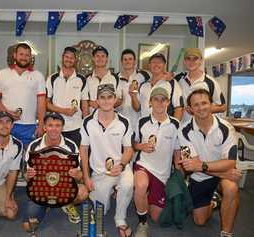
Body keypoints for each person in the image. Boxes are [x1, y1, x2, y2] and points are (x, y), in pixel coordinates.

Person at [178, 89, 241, 237]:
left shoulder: (226, 128)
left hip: (220, 174)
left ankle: (226, 233)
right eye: (196, 105)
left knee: (231, 188)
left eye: (204, 103)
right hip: (200, 176)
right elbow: (191, 166)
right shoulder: (183, 131)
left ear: (211, 104)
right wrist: (219, 171)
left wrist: (203, 166)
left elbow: (230, 162)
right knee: (199, 221)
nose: (201, 108)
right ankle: (215, 202)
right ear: (190, 109)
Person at [80, 83, 134, 237]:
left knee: (128, 183)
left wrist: (122, 164)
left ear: (115, 99)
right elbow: (83, 149)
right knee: (101, 211)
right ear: (96, 100)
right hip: (99, 172)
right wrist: (86, 177)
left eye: (109, 97)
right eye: (102, 97)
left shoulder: (124, 122)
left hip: (120, 167)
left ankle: (120, 219)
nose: (106, 101)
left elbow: (129, 149)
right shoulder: (87, 122)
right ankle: (109, 194)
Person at [22, 112, 88, 231]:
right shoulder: (34, 146)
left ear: (62, 128)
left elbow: (80, 176)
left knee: (82, 192)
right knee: (28, 228)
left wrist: (78, 174)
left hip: (63, 187)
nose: (54, 129)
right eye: (50, 125)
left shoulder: (71, 146)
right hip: (40, 189)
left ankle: (67, 204)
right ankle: (46, 205)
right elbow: (26, 177)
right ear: (44, 127)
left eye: (57, 125)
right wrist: (28, 175)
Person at [133, 87, 181, 237]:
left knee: (157, 217)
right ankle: (142, 224)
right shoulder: (142, 121)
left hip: (163, 173)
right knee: (140, 185)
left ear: (167, 102)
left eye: (163, 99)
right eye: (156, 99)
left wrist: (179, 174)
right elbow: (133, 144)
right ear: (150, 102)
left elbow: (177, 151)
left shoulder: (175, 124)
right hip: (144, 165)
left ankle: (144, 198)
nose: (159, 103)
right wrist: (140, 146)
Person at [0, 43, 46, 147]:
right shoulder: (2, 74)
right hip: (6, 125)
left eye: (27, 55)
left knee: (27, 160)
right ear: (15, 55)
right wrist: (6, 113)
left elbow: (42, 103)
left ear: (30, 57)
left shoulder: (38, 76)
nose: (24, 57)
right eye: (21, 54)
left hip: (30, 126)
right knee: (6, 159)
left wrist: (41, 125)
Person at [46, 46, 89, 147]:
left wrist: (86, 126)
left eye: (71, 58)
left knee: (74, 159)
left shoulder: (82, 79)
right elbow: (46, 104)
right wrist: (64, 111)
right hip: (55, 128)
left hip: (76, 128)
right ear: (62, 57)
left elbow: (85, 106)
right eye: (66, 57)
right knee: (56, 159)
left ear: (75, 60)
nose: (69, 60)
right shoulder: (52, 78)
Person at [174, 48, 226, 123]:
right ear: (184, 61)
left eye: (195, 58)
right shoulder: (178, 79)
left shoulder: (210, 82)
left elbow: (223, 107)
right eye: (188, 59)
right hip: (184, 127)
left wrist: (200, 110)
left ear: (201, 61)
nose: (191, 62)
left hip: (205, 127)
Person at [132, 53, 184, 121]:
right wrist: (133, 96)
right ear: (149, 65)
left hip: (165, 127)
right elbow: (137, 108)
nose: (156, 64)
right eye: (153, 62)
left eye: (159, 62)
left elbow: (179, 108)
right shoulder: (143, 85)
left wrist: (175, 127)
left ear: (164, 65)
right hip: (145, 127)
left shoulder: (172, 83)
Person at [117, 48, 150, 130]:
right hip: (120, 122)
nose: (127, 61)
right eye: (125, 59)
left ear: (135, 61)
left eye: (130, 59)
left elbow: (158, 76)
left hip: (137, 121)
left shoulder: (144, 75)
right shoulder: (115, 78)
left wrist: (170, 74)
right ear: (121, 62)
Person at [86, 45, 122, 110]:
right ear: (93, 59)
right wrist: (90, 103)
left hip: (110, 117)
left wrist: (105, 105)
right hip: (92, 118)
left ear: (107, 59)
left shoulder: (115, 77)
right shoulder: (87, 78)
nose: (100, 59)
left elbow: (119, 100)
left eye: (103, 56)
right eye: (97, 56)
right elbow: (84, 100)